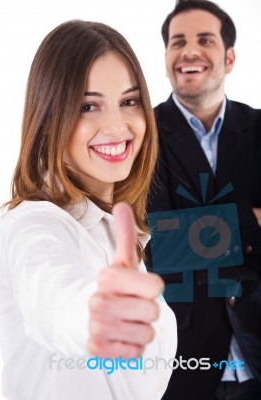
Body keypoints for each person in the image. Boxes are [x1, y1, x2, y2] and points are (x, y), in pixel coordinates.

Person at [0, 20, 177, 400]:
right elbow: (51, 292)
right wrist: (96, 314)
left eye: (129, 101)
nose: (117, 125)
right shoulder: (34, 222)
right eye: (88, 106)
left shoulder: (117, 231)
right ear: (48, 119)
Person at [146, 1, 261, 400]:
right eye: (178, 42)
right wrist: (252, 222)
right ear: (166, 59)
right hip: (184, 361)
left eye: (204, 40)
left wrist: (195, 230)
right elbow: (158, 245)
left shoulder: (260, 129)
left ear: (228, 57)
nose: (189, 51)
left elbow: (180, 238)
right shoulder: (144, 137)